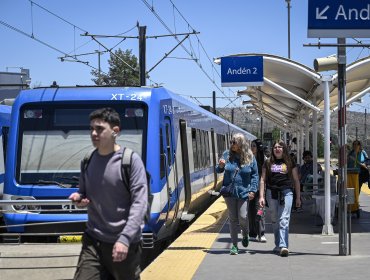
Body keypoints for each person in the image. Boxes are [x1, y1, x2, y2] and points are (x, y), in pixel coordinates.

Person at [69, 107, 148, 280]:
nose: (94, 133)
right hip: (93, 240)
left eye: (99, 129)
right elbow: (83, 192)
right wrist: (79, 198)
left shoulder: (130, 161)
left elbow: (139, 204)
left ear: (115, 131)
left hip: (124, 242)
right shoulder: (88, 159)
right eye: (91, 129)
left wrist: (125, 239)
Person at [216, 133, 259, 255]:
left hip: (244, 192)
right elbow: (218, 170)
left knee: (243, 217)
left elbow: (255, 175)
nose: (231, 144)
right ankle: (234, 245)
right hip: (229, 192)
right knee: (233, 219)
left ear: (241, 144)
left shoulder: (250, 157)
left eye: (234, 142)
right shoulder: (226, 154)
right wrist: (220, 166)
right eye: (231, 142)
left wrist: (253, 190)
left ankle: (245, 233)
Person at [259, 140, 301, 257]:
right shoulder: (267, 163)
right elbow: (262, 180)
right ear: (272, 150)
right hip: (271, 193)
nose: (277, 149)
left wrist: (298, 197)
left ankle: (283, 246)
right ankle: (278, 244)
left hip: (286, 192)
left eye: (280, 147)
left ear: (284, 149)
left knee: (283, 219)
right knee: (274, 219)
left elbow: (296, 180)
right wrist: (261, 196)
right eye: (275, 147)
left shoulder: (290, 162)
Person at [248, 139, 267, 242]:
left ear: (259, 148)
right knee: (250, 212)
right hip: (250, 188)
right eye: (251, 145)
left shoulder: (264, 160)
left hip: (260, 188)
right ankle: (252, 232)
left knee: (260, 211)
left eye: (254, 146)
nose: (252, 148)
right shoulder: (248, 159)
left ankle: (261, 233)